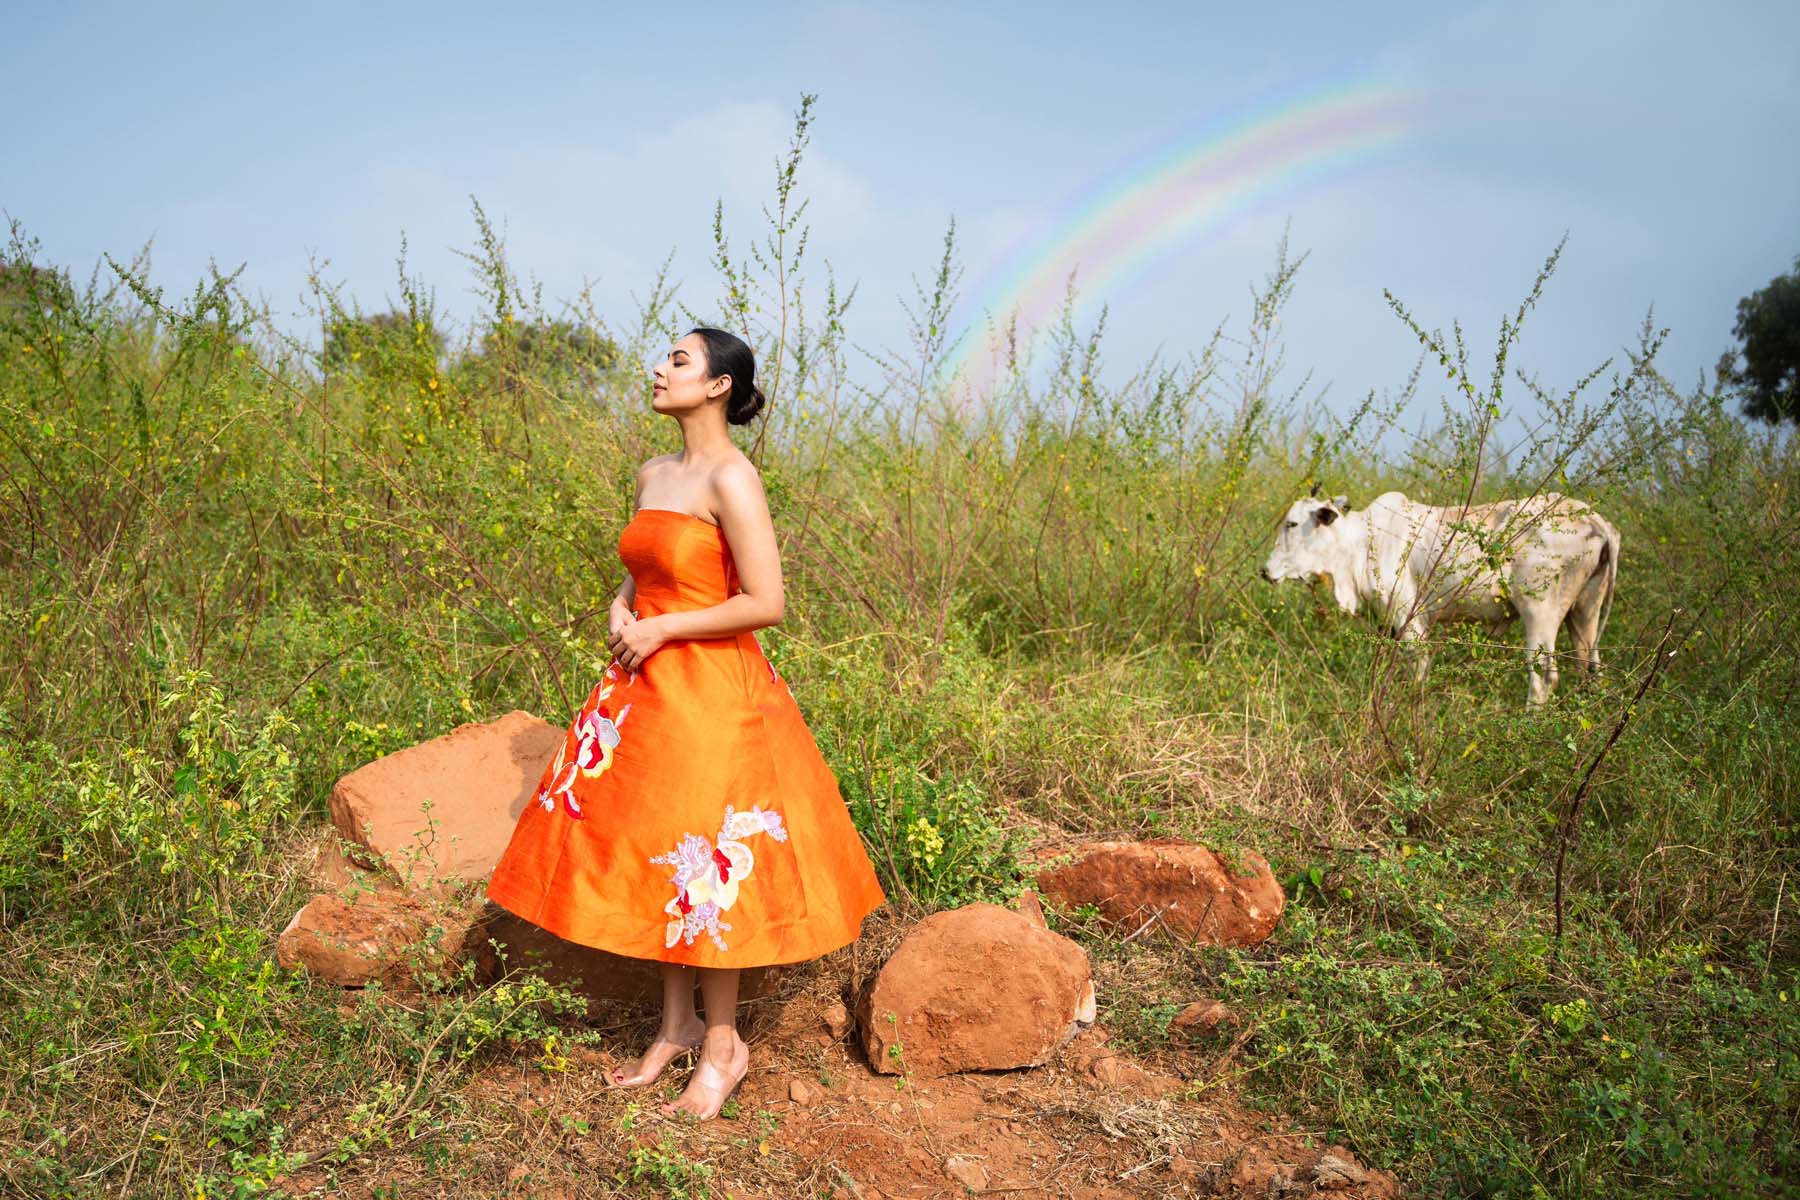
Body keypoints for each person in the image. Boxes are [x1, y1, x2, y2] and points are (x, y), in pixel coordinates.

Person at [486, 327, 885, 1120]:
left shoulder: (734, 478)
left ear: (718, 388)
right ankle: (675, 1026)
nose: (658, 370)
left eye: (678, 361)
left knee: (704, 864)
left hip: (713, 696)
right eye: (663, 358)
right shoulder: (654, 472)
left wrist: (662, 629)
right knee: (658, 852)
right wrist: (623, 606)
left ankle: (725, 1048)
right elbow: (652, 569)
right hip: (645, 692)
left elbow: (765, 601)